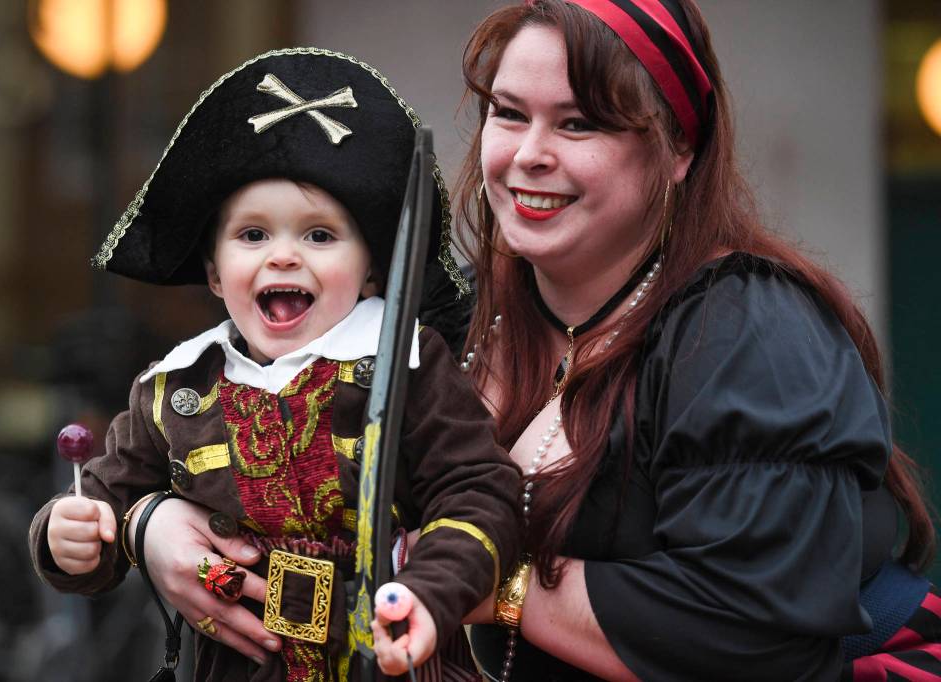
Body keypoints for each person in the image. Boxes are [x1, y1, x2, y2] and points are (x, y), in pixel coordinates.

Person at [131, 2, 941, 681]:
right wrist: (156, 526)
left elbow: (752, 628)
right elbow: (275, 464)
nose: (529, 156)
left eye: (579, 123)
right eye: (509, 113)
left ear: (678, 151)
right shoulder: (448, 322)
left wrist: (490, 580)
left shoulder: (748, 332)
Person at [28, 48, 520, 682]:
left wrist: (428, 591)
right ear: (214, 271)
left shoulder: (409, 363)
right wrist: (65, 536)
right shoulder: (177, 387)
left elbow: (479, 491)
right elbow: (102, 501)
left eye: (319, 235)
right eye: (253, 235)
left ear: (371, 271)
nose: (283, 256)